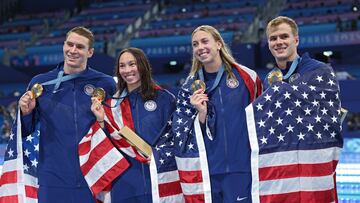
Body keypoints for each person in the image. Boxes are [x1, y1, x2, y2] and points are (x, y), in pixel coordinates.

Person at [250, 16, 343, 202]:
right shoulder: (270, 79)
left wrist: (287, 92)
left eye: (284, 36)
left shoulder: (320, 71)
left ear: (296, 40)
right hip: (283, 168)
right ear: (268, 43)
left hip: (312, 163)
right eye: (273, 38)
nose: (279, 42)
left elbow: (330, 118)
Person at [18, 26, 117, 202]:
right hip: (52, 177)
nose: (73, 50)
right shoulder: (41, 83)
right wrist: (26, 113)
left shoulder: (106, 84)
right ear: (63, 45)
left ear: (90, 52)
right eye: (69, 44)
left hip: (94, 174)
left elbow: (116, 126)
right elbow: (26, 132)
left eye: (79, 47)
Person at [173, 25, 262, 202]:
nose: (200, 47)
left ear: (219, 44)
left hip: (243, 169)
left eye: (205, 41)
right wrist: (201, 114)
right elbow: (180, 131)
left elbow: (262, 121)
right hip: (207, 172)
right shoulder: (189, 87)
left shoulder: (247, 77)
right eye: (195, 44)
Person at [90, 47, 176, 202]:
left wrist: (160, 157)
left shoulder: (164, 99)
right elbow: (105, 147)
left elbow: (176, 138)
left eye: (132, 64)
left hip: (159, 181)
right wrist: (101, 120)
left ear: (142, 65)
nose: (127, 70)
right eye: (122, 66)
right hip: (125, 185)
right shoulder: (110, 107)